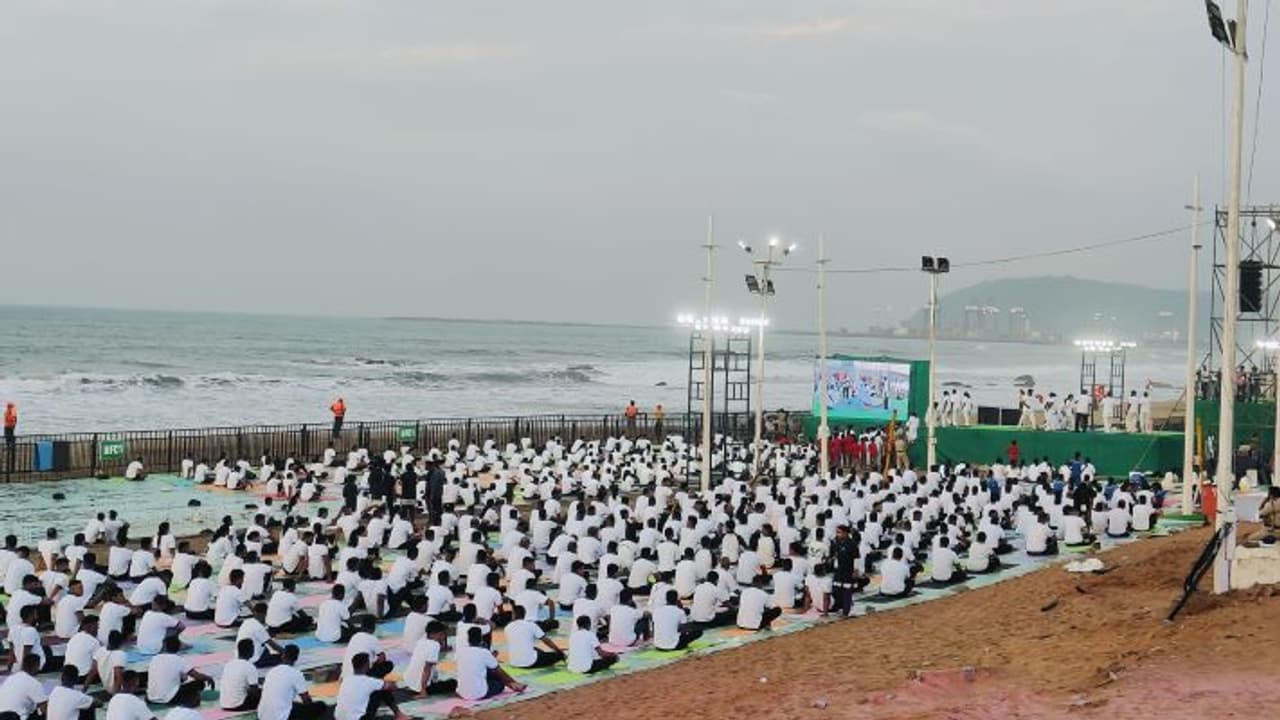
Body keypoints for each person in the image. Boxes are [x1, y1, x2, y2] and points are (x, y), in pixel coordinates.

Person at [258, 645, 328, 720]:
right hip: (280, 717)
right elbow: (306, 700)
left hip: (262, 715)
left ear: (282, 656)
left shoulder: (271, 671)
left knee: (292, 703)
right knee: (320, 705)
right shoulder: (296, 674)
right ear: (296, 658)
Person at [333, 653, 409, 720]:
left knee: (376, 688)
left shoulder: (346, 680)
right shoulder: (370, 681)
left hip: (339, 718)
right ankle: (399, 715)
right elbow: (393, 687)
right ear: (366, 665)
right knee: (381, 690)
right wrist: (386, 682)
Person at [403, 621, 457, 696]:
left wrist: (443, 647)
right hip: (420, 686)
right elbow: (427, 669)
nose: (443, 637)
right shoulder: (434, 646)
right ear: (432, 634)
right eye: (441, 634)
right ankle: (424, 689)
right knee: (453, 683)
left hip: (409, 680)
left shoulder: (422, 640)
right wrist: (423, 690)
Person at [0, 655, 46, 720]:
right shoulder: (33, 683)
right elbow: (44, 709)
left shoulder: (11, 678)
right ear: (37, 666)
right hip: (16, 717)